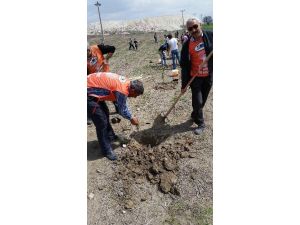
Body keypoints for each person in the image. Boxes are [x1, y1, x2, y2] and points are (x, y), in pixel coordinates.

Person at [87, 72, 144, 160]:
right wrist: (131, 118)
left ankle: (110, 137)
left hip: (93, 88)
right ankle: (106, 150)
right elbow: (122, 110)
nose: (135, 97)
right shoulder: (122, 90)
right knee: (101, 122)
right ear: (132, 90)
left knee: (105, 112)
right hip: (88, 93)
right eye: (136, 95)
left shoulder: (127, 83)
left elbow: (122, 104)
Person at [180, 18, 213, 135]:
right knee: (197, 101)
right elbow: (184, 66)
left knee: (203, 100)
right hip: (195, 77)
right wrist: (184, 85)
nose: (193, 30)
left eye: (195, 26)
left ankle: (195, 114)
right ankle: (200, 123)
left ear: (200, 25)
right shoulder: (187, 45)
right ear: (187, 31)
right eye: (190, 28)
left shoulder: (211, 36)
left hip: (209, 75)